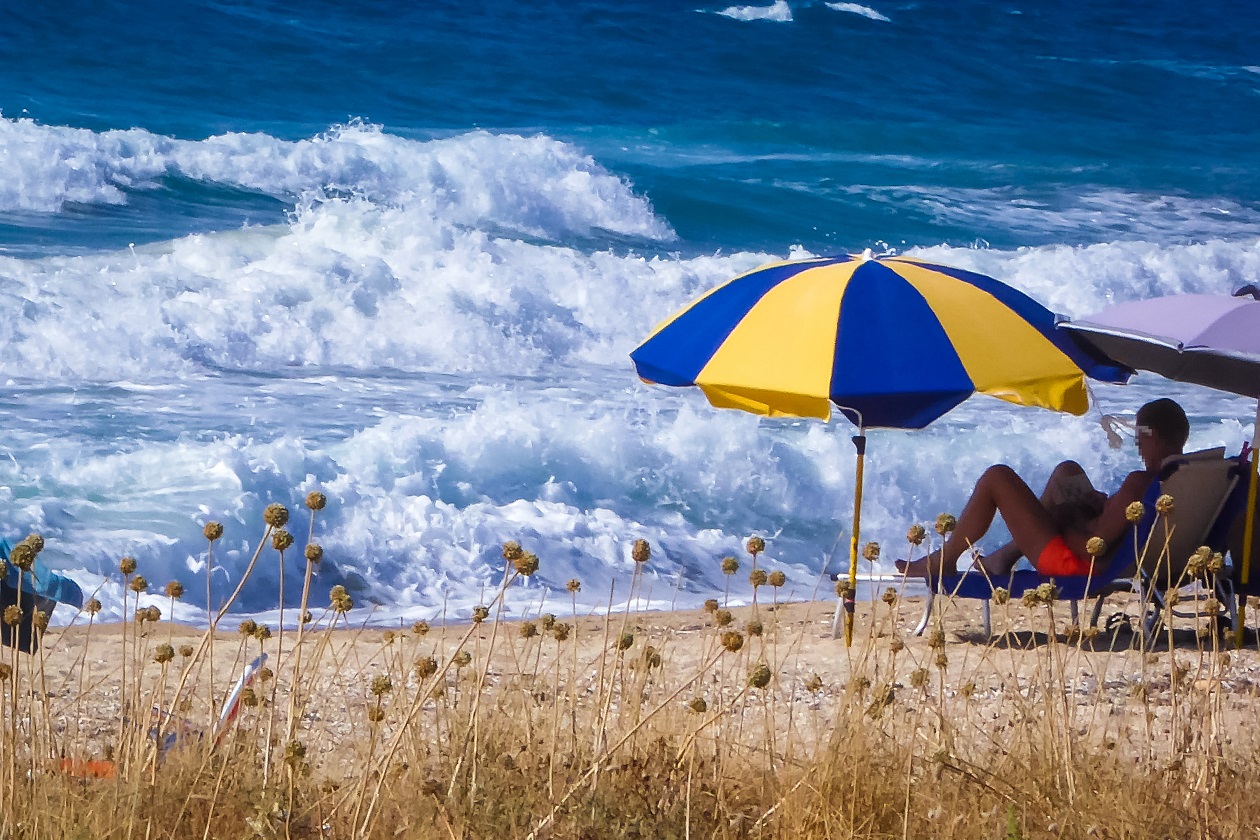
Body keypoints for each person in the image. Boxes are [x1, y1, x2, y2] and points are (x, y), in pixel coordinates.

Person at [895, 398, 1189, 578]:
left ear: (1156, 437)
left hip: (1076, 566)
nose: (1136, 444)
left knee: (997, 477)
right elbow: (1116, 529)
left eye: (1140, 435)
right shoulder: (1182, 478)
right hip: (1107, 559)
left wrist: (1066, 515)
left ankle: (944, 560)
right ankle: (1003, 558)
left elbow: (1091, 548)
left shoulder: (1140, 482)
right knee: (1067, 470)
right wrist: (1100, 507)